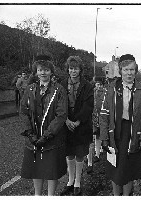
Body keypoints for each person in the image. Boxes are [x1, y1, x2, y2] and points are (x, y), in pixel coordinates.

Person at [99, 54, 141, 196]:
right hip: (116, 131)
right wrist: (104, 137)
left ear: (136, 70)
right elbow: (104, 114)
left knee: (128, 168)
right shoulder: (111, 88)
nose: (129, 73)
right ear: (120, 70)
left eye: (132, 70)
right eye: (126, 70)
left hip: (134, 132)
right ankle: (117, 196)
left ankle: (127, 195)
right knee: (115, 167)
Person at [19, 54, 68, 196]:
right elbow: (23, 112)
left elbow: (61, 115)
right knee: (37, 168)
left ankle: (51, 197)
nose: (43, 72)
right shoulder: (29, 89)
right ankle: (37, 196)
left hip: (51, 139)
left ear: (51, 71)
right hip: (33, 138)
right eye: (40, 69)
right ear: (36, 72)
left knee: (51, 171)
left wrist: (47, 136)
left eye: (46, 70)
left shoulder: (59, 90)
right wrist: (29, 133)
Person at [60, 56, 94, 196]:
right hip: (66, 123)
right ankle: (70, 180)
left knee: (80, 154)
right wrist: (66, 120)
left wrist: (78, 121)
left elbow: (88, 106)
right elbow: (59, 104)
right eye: (71, 68)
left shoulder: (87, 85)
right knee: (69, 153)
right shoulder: (61, 84)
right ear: (68, 69)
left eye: (76, 68)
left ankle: (78, 182)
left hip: (82, 124)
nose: (73, 71)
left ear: (80, 70)